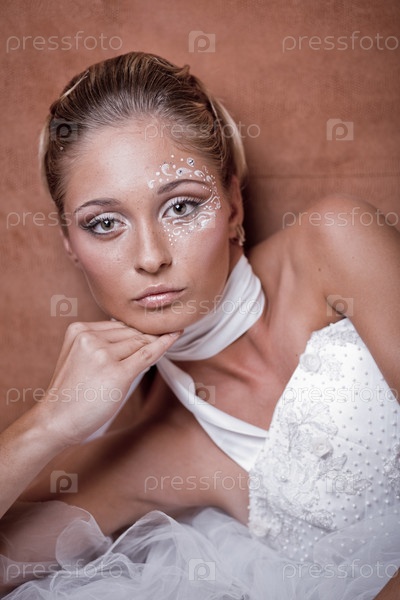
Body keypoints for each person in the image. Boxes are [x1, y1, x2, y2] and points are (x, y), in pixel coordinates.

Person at [0, 51, 399, 599]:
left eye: (181, 207)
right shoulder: (157, 451)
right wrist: (47, 424)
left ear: (233, 204)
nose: (151, 257)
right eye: (105, 223)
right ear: (71, 244)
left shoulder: (336, 244)